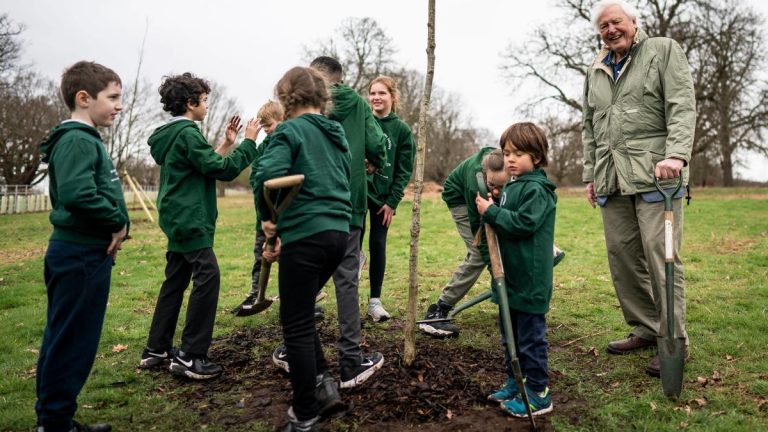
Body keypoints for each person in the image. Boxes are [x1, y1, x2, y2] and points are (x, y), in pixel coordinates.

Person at [582, 0, 694, 376]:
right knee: (623, 259)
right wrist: (590, 174)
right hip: (612, 178)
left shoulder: (662, 50)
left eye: (616, 22)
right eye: (603, 27)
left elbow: (682, 105)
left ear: (633, 22)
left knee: (662, 258)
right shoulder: (595, 69)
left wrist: (677, 155)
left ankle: (674, 342)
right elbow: (589, 126)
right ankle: (646, 328)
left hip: (656, 177)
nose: (610, 30)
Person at [139, 72, 259, 380]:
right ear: (190, 103)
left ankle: (156, 349)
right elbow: (222, 170)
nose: (207, 106)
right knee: (208, 276)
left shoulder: (174, 135)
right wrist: (248, 143)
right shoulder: (188, 133)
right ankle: (192, 356)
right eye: (204, 101)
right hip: (190, 218)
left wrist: (225, 144)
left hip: (176, 215)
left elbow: (201, 166)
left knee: (176, 280)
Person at [254, 66, 351, 432]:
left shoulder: (288, 131)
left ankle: (305, 413)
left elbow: (267, 178)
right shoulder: (336, 131)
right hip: (338, 235)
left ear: (286, 96)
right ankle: (324, 383)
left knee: (294, 324)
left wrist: (268, 222)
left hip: (306, 236)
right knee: (302, 310)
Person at [36, 60, 129, 432]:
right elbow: (78, 195)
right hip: (79, 255)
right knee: (71, 341)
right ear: (84, 98)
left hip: (85, 254)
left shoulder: (85, 139)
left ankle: (56, 419)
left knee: (67, 337)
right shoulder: (76, 139)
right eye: (114, 97)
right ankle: (55, 423)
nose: (119, 105)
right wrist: (117, 221)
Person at [293, 55, 387, 389]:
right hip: (349, 200)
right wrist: (373, 161)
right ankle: (350, 359)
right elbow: (377, 144)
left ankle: (294, 347)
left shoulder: (302, 106)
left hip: (310, 199)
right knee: (346, 278)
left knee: (305, 276)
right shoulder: (359, 106)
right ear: (340, 78)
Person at [476, 122, 556, 418]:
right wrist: (496, 205)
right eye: (507, 152)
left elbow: (524, 223)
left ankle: (538, 393)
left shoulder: (538, 189)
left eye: (518, 153)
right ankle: (516, 381)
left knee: (530, 338)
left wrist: (492, 212)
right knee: (509, 334)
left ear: (536, 157)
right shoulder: (513, 185)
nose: (509, 159)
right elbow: (510, 216)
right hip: (509, 276)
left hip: (530, 278)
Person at [418, 148, 509, 338]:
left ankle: (508, 302)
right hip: (458, 197)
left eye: (502, 186)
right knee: (478, 254)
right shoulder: (474, 183)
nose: (496, 191)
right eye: (492, 185)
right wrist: (496, 271)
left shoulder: (507, 164)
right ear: (484, 174)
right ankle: (438, 311)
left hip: (480, 194)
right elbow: (481, 233)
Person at [363, 75, 415, 322]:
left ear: (392, 97)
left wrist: (392, 201)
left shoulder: (402, 130)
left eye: (381, 93)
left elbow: (404, 170)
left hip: (383, 198)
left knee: (378, 245)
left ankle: (375, 302)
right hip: (359, 192)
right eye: (372, 93)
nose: (376, 97)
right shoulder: (361, 122)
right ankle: (346, 297)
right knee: (349, 243)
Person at [231, 100, 285, 315]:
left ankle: (304, 297)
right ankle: (256, 292)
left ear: (282, 120)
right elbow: (256, 175)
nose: (267, 131)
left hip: (285, 213)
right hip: (263, 214)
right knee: (260, 254)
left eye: (270, 125)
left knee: (289, 257)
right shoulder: (264, 146)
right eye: (263, 127)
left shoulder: (288, 142)